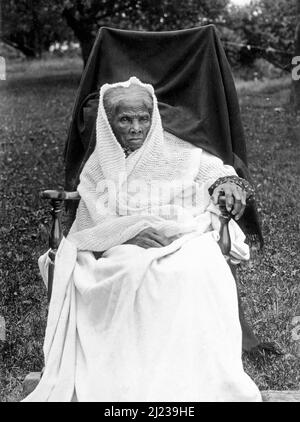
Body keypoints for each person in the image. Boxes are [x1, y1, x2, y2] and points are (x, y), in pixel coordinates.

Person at [24, 77, 262, 402]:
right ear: (110, 123)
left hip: (181, 233)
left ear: (153, 118)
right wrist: (129, 233)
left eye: (143, 118)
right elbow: (93, 221)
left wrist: (229, 185)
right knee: (122, 272)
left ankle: (186, 375)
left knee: (195, 268)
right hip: (119, 244)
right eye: (125, 119)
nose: (136, 127)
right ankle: (127, 375)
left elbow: (213, 170)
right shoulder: (99, 165)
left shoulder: (174, 147)